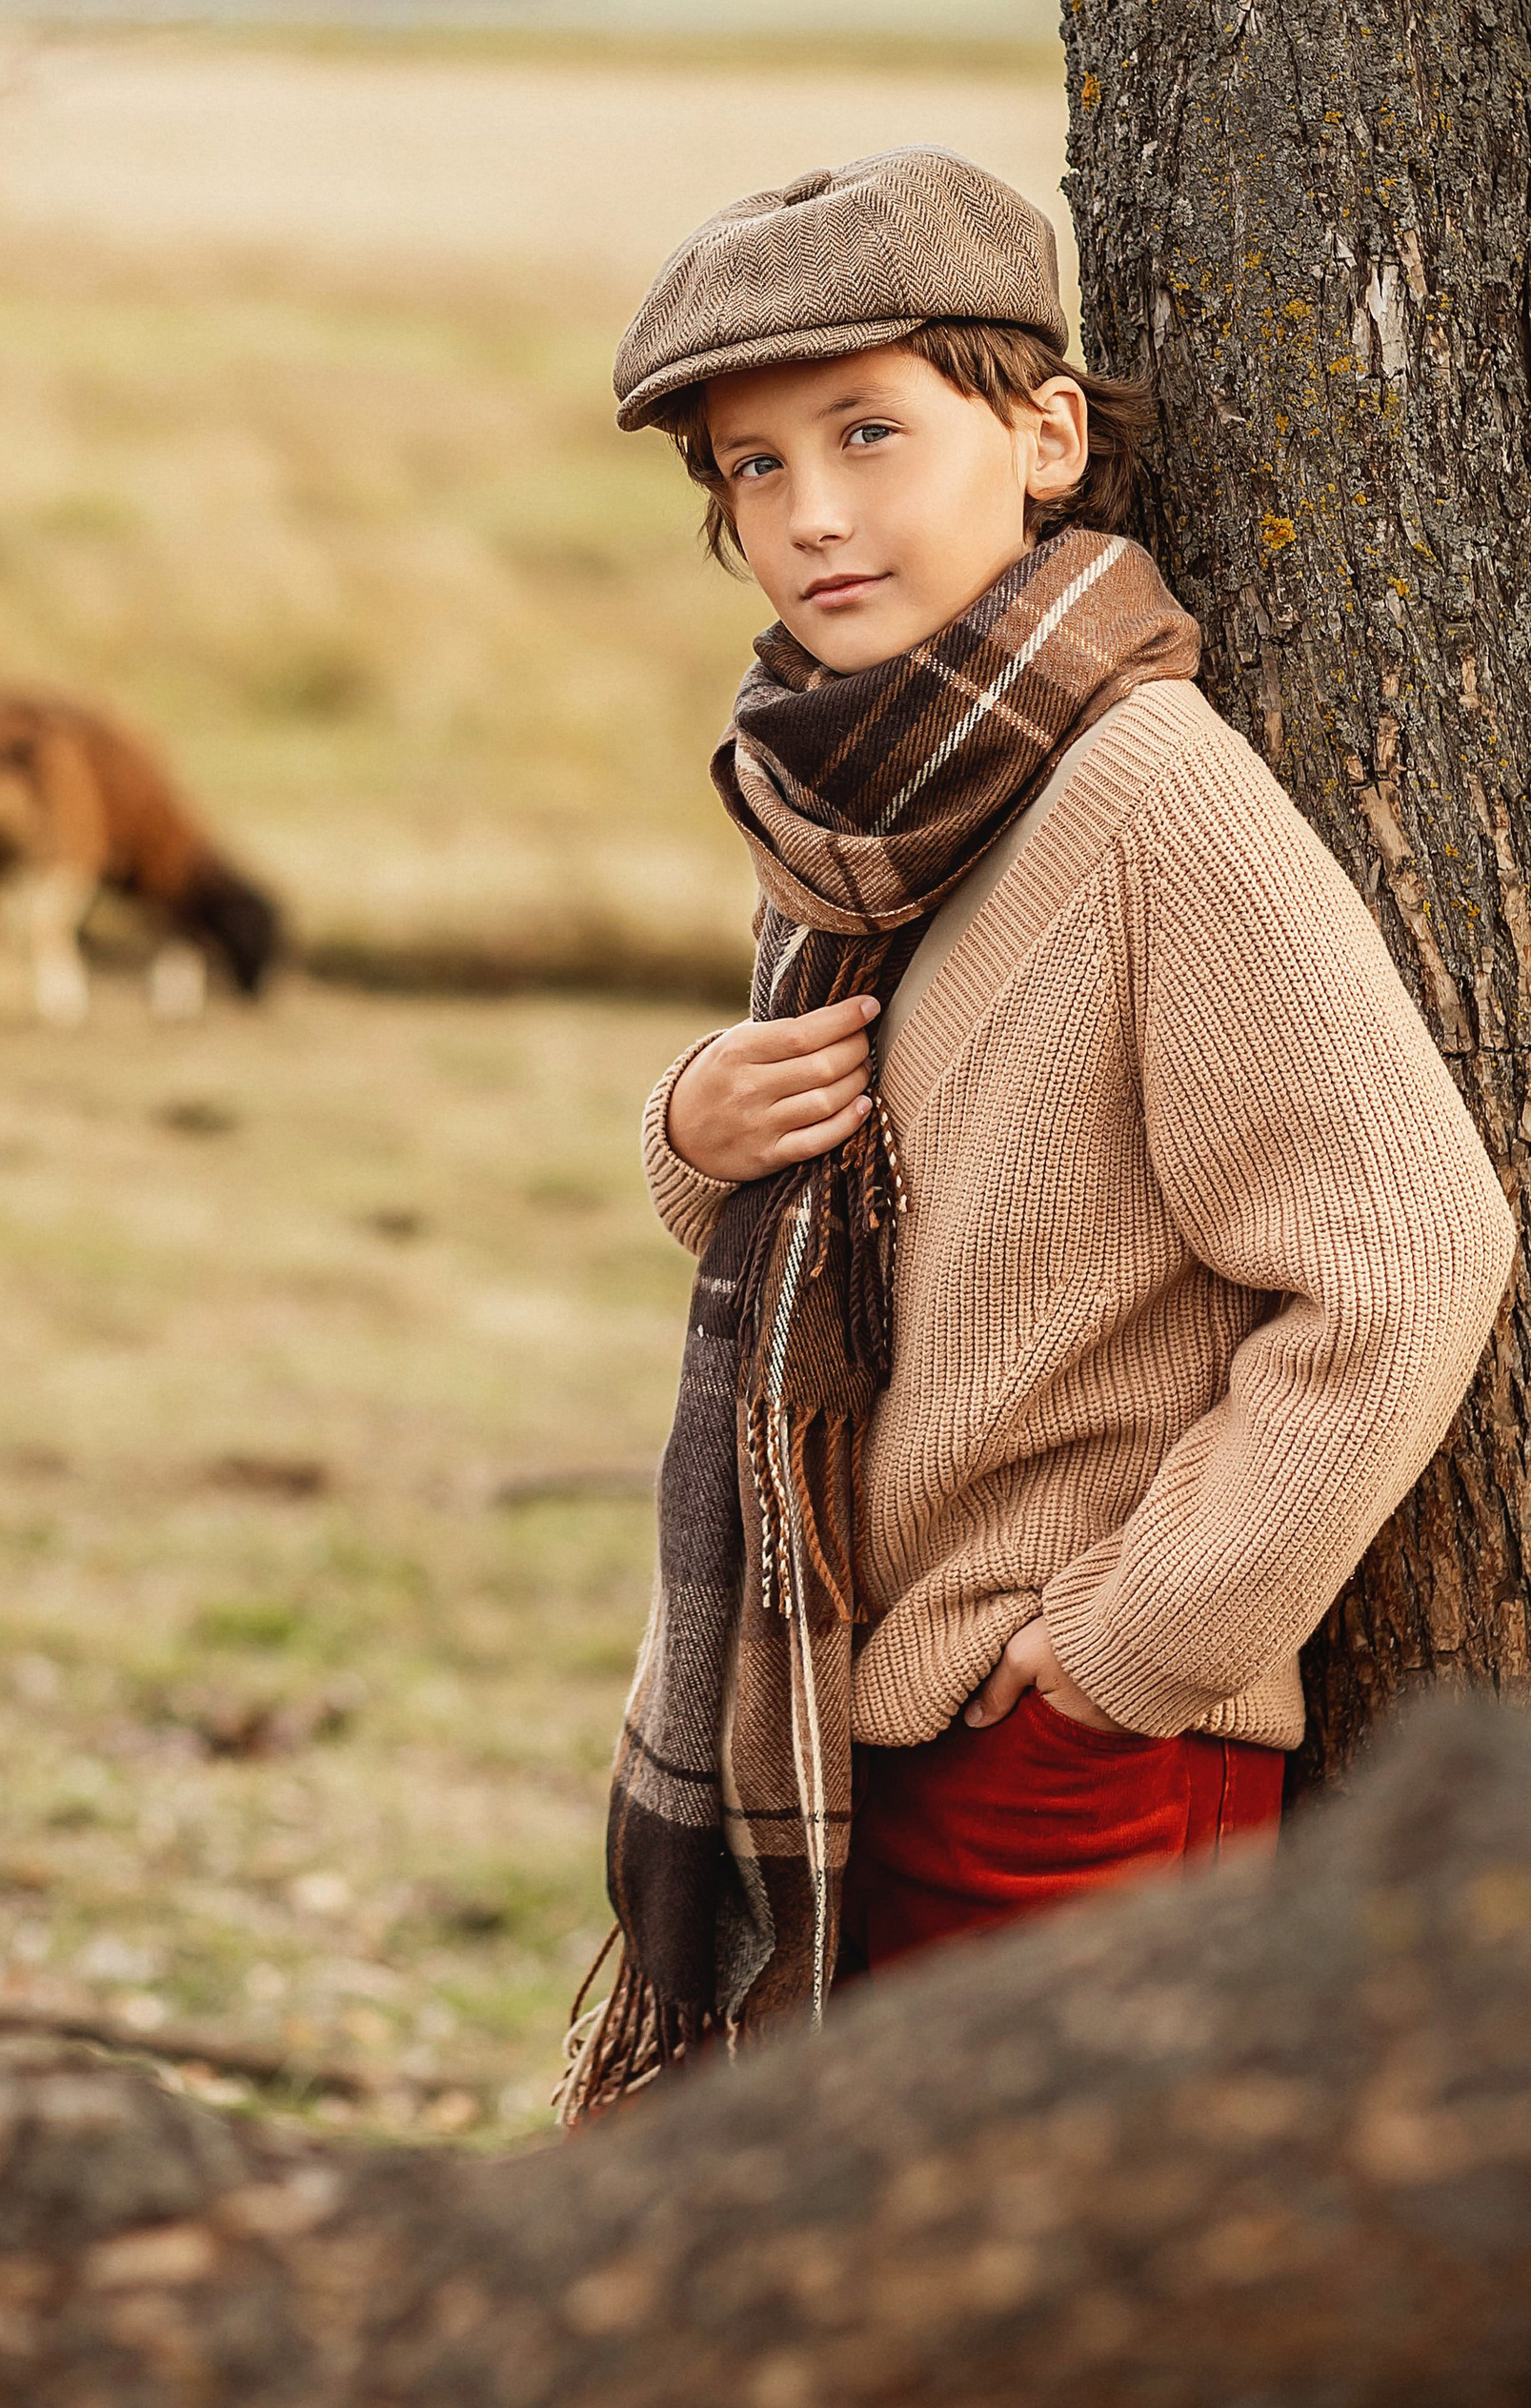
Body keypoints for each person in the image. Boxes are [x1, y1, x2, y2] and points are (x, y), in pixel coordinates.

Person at [563, 145, 1515, 2112]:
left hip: (1057, 1746)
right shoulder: (847, 806)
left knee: (1044, 2323)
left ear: (1044, 434)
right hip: (858, 1715)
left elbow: (1410, 1250)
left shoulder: (1142, 791)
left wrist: (1127, 1657)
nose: (810, 515)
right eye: (750, 468)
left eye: (866, 434)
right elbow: (882, 1194)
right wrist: (695, 1128)